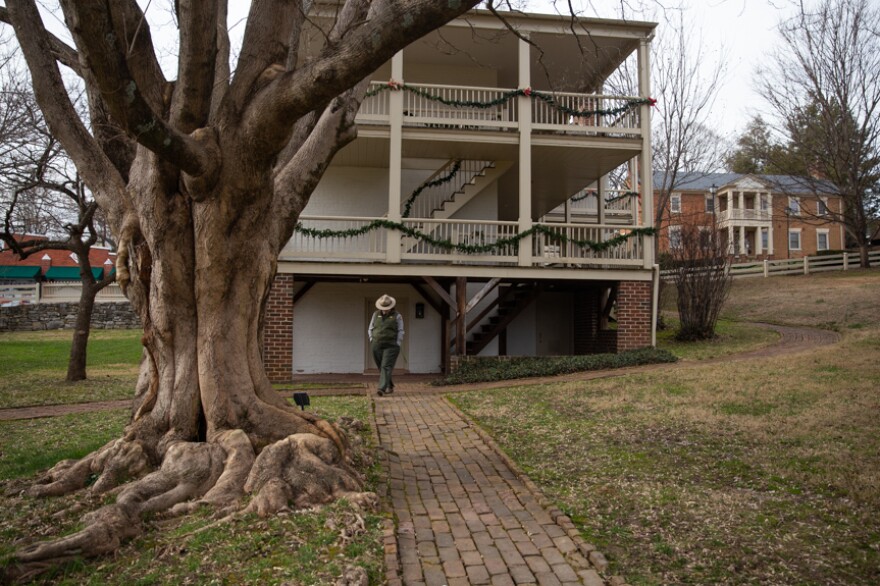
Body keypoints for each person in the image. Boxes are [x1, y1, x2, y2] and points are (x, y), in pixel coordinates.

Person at [368, 294, 404, 396]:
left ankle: (381, 388)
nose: (384, 310)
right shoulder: (375, 315)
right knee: (381, 366)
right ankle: (390, 385)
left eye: (387, 308)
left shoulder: (397, 316)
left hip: (391, 346)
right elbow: (370, 328)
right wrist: (371, 339)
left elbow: (401, 331)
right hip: (376, 344)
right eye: (383, 308)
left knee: (386, 366)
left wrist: (397, 343)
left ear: (391, 307)